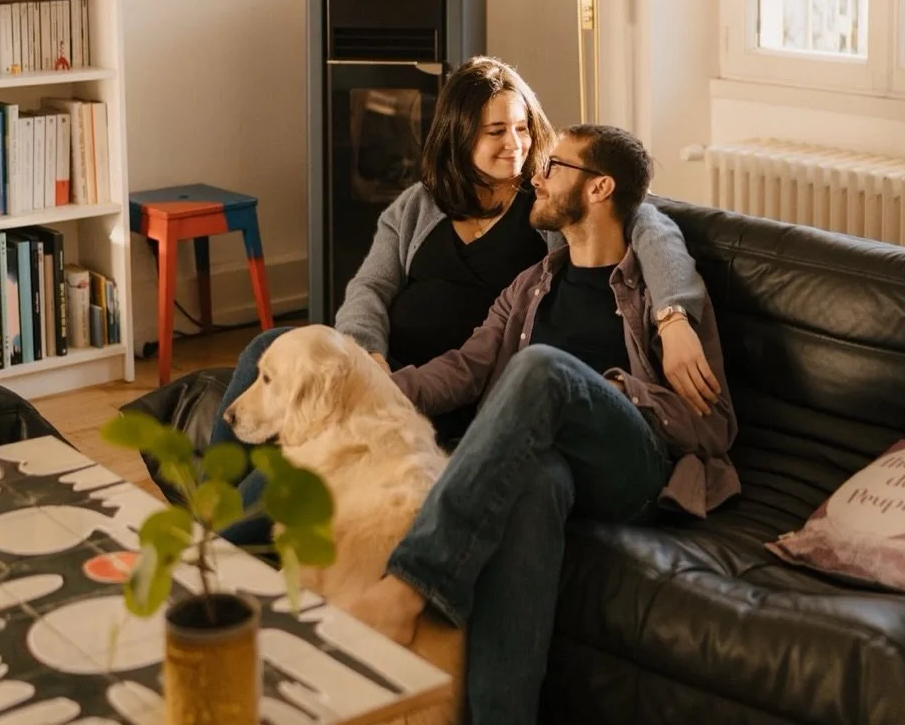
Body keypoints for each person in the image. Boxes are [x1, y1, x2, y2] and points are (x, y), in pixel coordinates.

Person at [346, 124, 739, 725]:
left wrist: (615, 388)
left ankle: (413, 585)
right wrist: (361, 385)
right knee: (530, 486)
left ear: (597, 189)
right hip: (553, 471)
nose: (535, 175)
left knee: (541, 372)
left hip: (637, 467)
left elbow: (712, 429)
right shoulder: (535, 284)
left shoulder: (658, 293)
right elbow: (460, 371)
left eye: (553, 165)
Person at [212, 57, 719, 467]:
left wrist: (672, 314)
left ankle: (232, 527)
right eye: (495, 131)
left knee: (327, 447)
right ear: (460, 135)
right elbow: (368, 290)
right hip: (390, 373)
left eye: (521, 128)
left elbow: (650, 222)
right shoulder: (419, 205)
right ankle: (218, 484)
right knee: (271, 346)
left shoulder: (549, 206)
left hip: (463, 393)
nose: (515, 145)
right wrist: (368, 358)